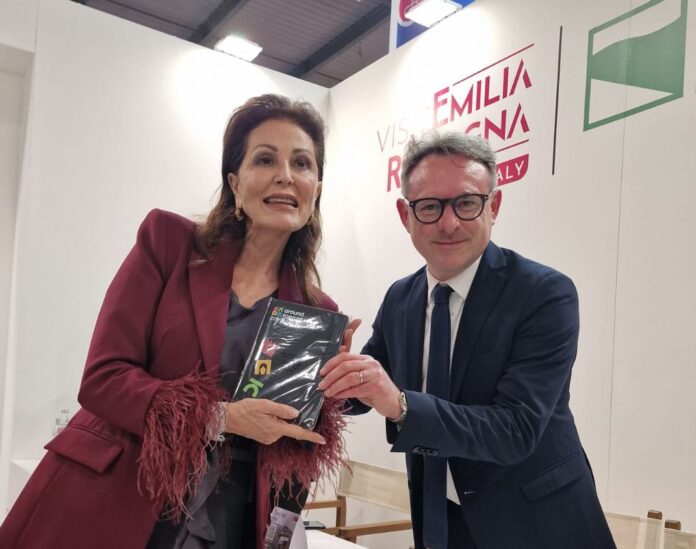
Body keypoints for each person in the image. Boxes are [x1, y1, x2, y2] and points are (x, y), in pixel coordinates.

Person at [0, 94, 355, 549]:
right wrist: (221, 417)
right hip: (119, 497)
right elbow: (102, 379)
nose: (286, 175)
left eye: (302, 163)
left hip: (227, 520)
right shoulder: (168, 243)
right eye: (265, 159)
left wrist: (326, 399)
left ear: (316, 188)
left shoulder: (316, 310)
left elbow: (289, 453)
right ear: (235, 182)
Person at [319, 132, 616, 549]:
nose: (448, 223)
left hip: (537, 524)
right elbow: (369, 388)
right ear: (405, 215)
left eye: (466, 203)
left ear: (493, 206)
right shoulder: (400, 298)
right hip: (440, 518)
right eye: (429, 206)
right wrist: (328, 376)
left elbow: (516, 429)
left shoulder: (544, 294)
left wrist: (400, 404)